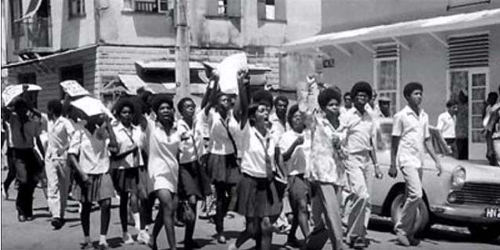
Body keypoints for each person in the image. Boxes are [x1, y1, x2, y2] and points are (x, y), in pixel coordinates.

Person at [229, 83, 283, 250]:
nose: (266, 113)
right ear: (253, 117)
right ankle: (236, 245)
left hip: (267, 182)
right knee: (253, 229)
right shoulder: (246, 132)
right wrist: (242, 86)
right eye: (261, 111)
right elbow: (241, 111)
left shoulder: (271, 134)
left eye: (267, 110)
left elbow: (276, 157)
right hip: (250, 181)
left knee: (266, 225)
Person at [389, 82, 442, 246]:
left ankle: (409, 233)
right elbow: (394, 142)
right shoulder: (401, 116)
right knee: (416, 194)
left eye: (421, 93)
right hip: (406, 160)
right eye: (416, 93)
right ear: (407, 96)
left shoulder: (424, 116)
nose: (419, 96)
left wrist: (437, 160)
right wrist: (392, 164)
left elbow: (427, 141)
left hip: (419, 160)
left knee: (411, 197)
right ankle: (401, 229)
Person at [303, 88, 347, 250]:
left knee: (324, 216)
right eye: (331, 105)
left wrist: (340, 147)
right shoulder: (318, 122)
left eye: (336, 104)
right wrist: (311, 91)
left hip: (338, 173)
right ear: (323, 107)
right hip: (322, 173)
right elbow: (306, 114)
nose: (335, 107)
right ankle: (339, 246)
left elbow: (345, 153)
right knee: (333, 212)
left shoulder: (343, 126)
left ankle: (311, 246)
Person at [342, 81, 383, 249]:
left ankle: (359, 234)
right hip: (352, 159)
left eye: (365, 95)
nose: (362, 97)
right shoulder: (346, 115)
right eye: (359, 94)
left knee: (367, 201)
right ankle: (352, 233)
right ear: (353, 97)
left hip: (367, 159)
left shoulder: (370, 116)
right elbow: (339, 138)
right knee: (361, 195)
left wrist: (377, 165)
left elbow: (371, 142)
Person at [68, 113, 116, 250]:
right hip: (86, 172)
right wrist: (82, 174)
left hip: (103, 170)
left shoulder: (102, 132)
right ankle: (87, 238)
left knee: (106, 203)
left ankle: (103, 239)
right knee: (86, 206)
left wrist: (109, 126)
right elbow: (72, 155)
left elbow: (114, 146)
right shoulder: (80, 133)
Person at [202, 76, 241, 244]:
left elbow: (242, 102)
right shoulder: (211, 115)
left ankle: (221, 216)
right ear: (217, 102)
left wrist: (241, 83)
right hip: (216, 156)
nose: (227, 102)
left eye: (228, 99)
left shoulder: (234, 116)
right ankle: (220, 228)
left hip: (231, 156)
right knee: (219, 195)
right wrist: (214, 83)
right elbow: (208, 101)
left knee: (234, 192)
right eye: (223, 99)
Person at [146, 94, 181, 250]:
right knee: (167, 206)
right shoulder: (151, 126)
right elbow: (140, 110)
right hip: (157, 174)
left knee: (166, 209)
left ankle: (153, 237)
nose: (166, 111)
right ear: (156, 112)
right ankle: (173, 247)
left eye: (168, 108)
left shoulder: (177, 128)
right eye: (162, 108)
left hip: (173, 172)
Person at [110, 98, 145, 245]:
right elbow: (114, 155)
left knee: (141, 198)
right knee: (124, 201)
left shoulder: (138, 130)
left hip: (137, 167)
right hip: (122, 168)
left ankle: (141, 230)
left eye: (130, 112)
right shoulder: (115, 131)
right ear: (119, 114)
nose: (127, 115)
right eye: (124, 112)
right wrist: (129, 151)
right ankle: (125, 232)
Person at [4, 98, 44, 222]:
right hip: (18, 152)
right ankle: (20, 209)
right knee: (23, 179)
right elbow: (4, 111)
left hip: (30, 151)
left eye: (24, 109)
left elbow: (37, 138)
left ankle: (28, 209)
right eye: (19, 110)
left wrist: (44, 154)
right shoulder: (13, 119)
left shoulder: (32, 121)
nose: (22, 112)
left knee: (32, 182)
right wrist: (8, 102)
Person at [279, 104, 311, 248]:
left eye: (301, 117)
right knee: (302, 207)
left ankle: (291, 237)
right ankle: (309, 239)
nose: (298, 119)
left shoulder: (310, 134)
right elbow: (283, 157)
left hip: (310, 176)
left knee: (300, 211)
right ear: (291, 120)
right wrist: (294, 144)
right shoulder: (286, 136)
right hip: (295, 175)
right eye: (296, 117)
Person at [176, 97, 205, 249]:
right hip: (184, 166)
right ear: (181, 110)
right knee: (191, 200)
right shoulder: (177, 127)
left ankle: (189, 238)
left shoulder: (197, 123)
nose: (191, 109)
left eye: (193, 106)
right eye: (187, 107)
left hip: (197, 164)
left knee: (196, 203)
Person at [45, 99, 75, 229]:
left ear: (52, 110)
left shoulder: (65, 122)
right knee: (53, 185)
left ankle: (61, 214)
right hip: (50, 157)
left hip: (63, 157)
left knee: (63, 186)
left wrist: (66, 147)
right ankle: (55, 215)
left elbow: (74, 136)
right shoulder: (48, 122)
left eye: (49, 109)